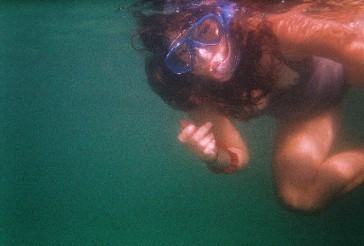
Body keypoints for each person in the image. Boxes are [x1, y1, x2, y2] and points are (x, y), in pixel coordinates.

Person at [132, 0, 364, 212]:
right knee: (298, 197)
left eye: (205, 31)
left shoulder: (272, 31)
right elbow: (238, 155)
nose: (203, 56)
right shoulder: (194, 87)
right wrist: (214, 156)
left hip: (349, 72)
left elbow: (354, 46)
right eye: (183, 50)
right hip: (305, 114)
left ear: (223, 17)